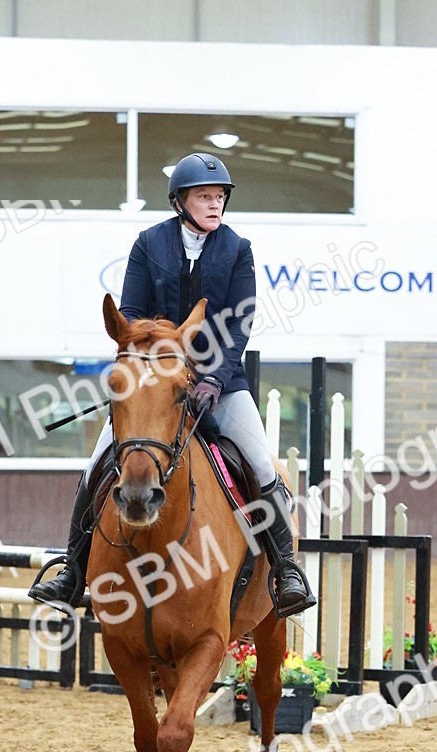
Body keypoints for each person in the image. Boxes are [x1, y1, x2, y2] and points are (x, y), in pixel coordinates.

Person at [29, 152, 316, 618]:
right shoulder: (149, 244)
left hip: (221, 382)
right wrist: (157, 372)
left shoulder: (237, 249)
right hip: (152, 382)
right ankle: (72, 572)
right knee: (97, 467)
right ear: (180, 201)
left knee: (263, 465)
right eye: (204, 196)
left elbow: (239, 324)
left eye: (220, 196)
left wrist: (214, 379)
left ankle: (285, 572)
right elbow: (133, 313)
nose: (214, 203)